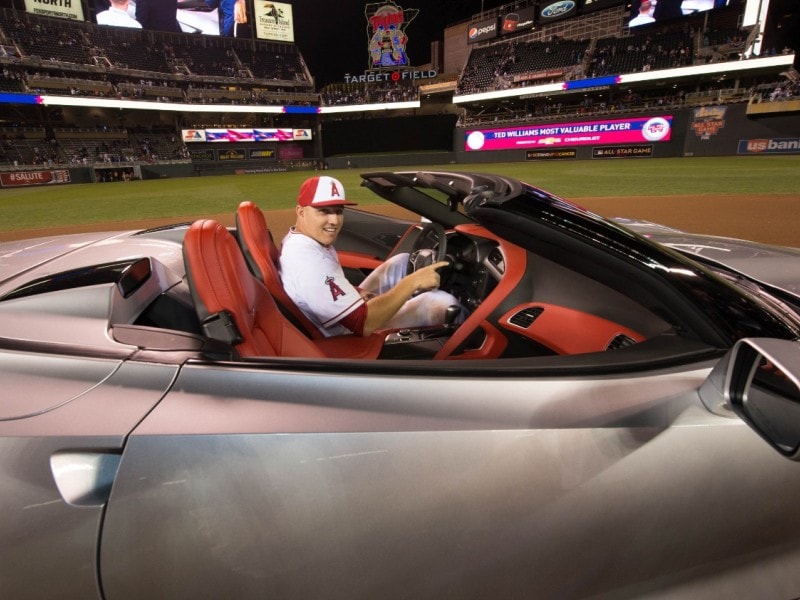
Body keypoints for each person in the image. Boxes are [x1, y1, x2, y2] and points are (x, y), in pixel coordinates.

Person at [279, 176, 460, 337]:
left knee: (401, 262)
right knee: (440, 302)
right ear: (301, 212)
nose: (334, 220)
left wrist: (357, 292)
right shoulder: (308, 263)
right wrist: (412, 282)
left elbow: (329, 286)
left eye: (338, 211)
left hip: (342, 317)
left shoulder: (304, 240)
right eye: (324, 211)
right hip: (345, 337)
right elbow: (363, 324)